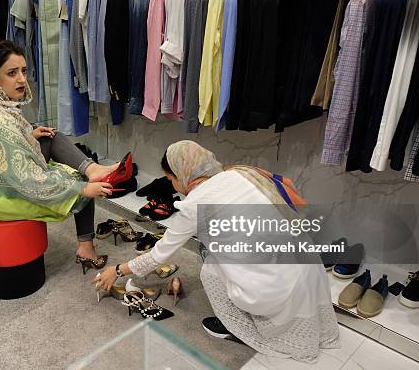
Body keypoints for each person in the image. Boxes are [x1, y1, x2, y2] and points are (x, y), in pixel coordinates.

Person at [93, 140, 339, 363]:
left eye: (170, 180)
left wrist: (117, 270)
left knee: (210, 269)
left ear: (181, 173)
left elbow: (159, 254)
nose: (173, 186)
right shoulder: (241, 173)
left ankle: (238, 327)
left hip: (275, 286)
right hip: (307, 267)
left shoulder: (197, 204)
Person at [0, 40, 119, 271]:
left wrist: (29, 134)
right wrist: (82, 190)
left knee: (48, 136)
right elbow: (29, 180)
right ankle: (86, 247)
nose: (22, 79)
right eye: (12, 73)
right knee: (78, 182)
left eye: (23, 71)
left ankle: (94, 169)